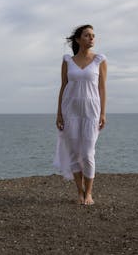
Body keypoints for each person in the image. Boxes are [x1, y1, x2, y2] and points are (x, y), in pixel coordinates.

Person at [54, 24, 107, 205]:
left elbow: (102, 88)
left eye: (93, 35)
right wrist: (59, 113)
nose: (91, 38)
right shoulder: (68, 61)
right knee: (74, 153)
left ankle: (89, 193)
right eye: (87, 35)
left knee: (87, 153)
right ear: (78, 39)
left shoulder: (99, 60)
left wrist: (103, 113)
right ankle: (79, 192)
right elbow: (63, 87)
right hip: (71, 111)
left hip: (92, 111)